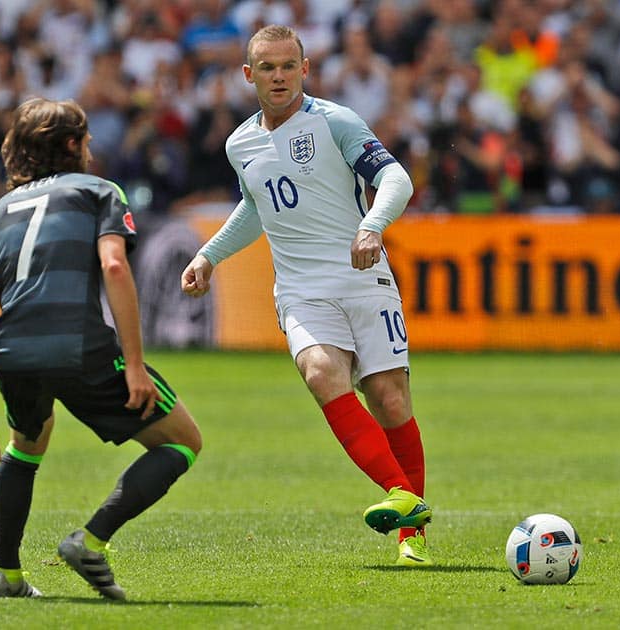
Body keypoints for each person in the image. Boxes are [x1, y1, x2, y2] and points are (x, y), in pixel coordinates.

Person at [180, 25, 432, 566]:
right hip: (301, 290)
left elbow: (397, 180)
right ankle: (404, 498)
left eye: (288, 66)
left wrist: (372, 225)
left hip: (363, 277)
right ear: (248, 75)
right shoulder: (239, 142)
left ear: (305, 68)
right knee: (321, 372)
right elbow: (256, 208)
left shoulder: (335, 121)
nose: (278, 76)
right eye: (267, 68)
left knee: (389, 399)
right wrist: (208, 255)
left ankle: (413, 537)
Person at [0, 97, 202, 599]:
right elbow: (114, 267)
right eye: (85, 140)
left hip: (11, 354)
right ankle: (91, 541)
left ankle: (8, 576)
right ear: (70, 145)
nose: (90, 149)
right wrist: (133, 365)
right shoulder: (98, 190)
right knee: (182, 442)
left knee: (27, 443)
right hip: (80, 346)